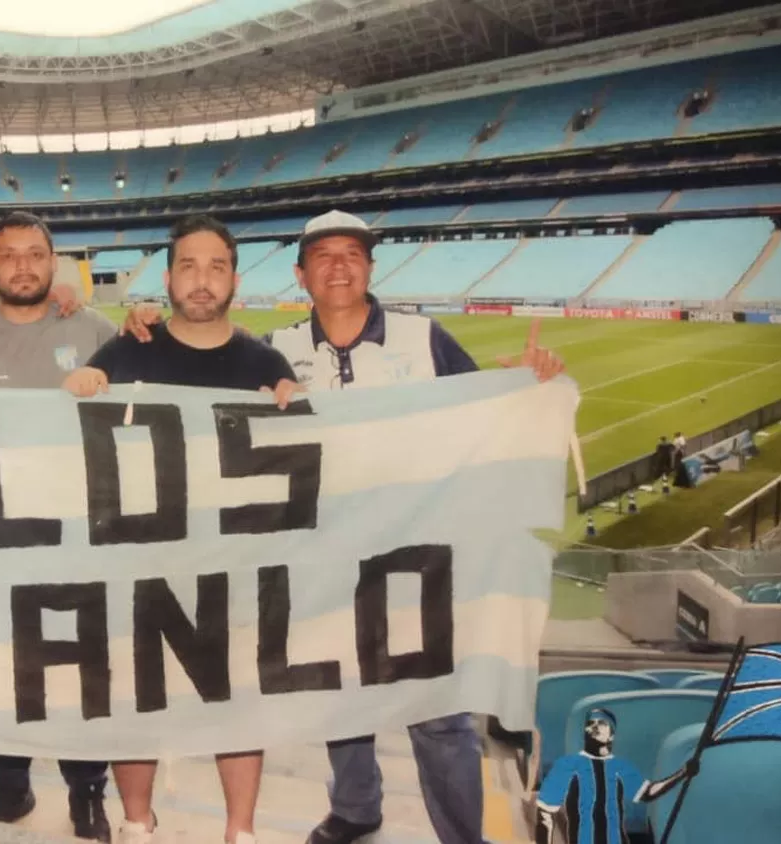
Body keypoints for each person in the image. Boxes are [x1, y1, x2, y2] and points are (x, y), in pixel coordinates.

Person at [123, 209, 564, 844]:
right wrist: (142, 319)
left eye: (352, 253)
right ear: (301, 274)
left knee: (437, 712)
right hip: (322, 557)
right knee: (337, 697)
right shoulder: (277, 350)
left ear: (371, 266)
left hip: (418, 554)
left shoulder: (423, 338)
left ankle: (464, 836)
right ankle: (357, 810)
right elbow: (205, 369)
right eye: (323, 255)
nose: (338, 265)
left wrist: (529, 387)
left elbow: (484, 416)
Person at [65, 215, 298, 844]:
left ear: (234, 279)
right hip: (142, 560)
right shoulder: (124, 351)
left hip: (234, 565)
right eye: (189, 267)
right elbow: (69, 438)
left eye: (216, 267)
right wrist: (78, 387)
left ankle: (240, 831)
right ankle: (137, 821)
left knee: (239, 700)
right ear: (168, 278)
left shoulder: (263, 360)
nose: (202, 280)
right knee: (134, 699)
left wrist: (294, 403)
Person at [0, 211, 117, 841]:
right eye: (8, 255)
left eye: (35, 253)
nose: (23, 265)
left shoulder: (94, 329)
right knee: (3, 669)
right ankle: (11, 785)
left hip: (78, 537)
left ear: (53, 261)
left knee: (80, 672)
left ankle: (87, 793)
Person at [535, 709, 693, 844]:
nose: (594, 726)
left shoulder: (620, 766)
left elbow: (647, 792)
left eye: (601, 723)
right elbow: (544, 811)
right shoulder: (567, 765)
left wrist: (682, 773)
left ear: (611, 735)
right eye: (590, 724)